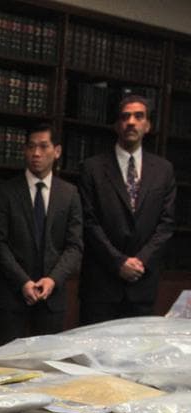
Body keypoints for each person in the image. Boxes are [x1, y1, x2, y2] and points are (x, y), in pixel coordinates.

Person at [78, 95, 176, 324]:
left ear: (148, 125)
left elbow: (166, 224)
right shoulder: (92, 168)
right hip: (101, 287)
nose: (131, 122)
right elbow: (88, 222)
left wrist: (140, 261)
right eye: (125, 117)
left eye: (138, 116)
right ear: (117, 125)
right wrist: (118, 262)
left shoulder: (163, 170)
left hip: (143, 286)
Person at [0, 124, 82, 346]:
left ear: (57, 151)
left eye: (43, 146)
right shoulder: (6, 191)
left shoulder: (69, 194)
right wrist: (23, 281)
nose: (36, 153)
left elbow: (74, 246)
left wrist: (53, 280)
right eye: (31, 147)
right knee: (6, 366)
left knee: (47, 369)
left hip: (52, 298)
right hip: (12, 296)